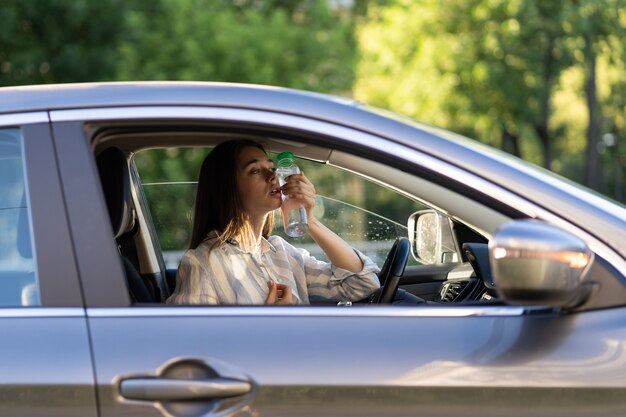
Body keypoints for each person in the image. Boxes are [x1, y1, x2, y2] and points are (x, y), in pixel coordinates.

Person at [166, 139, 381, 305]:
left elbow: (362, 283)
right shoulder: (204, 262)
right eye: (255, 170)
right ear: (227, 189)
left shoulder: (281, 252)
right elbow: (190, 346)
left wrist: (310, 219)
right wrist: (266, 322)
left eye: (271, 167)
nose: (273, 176)